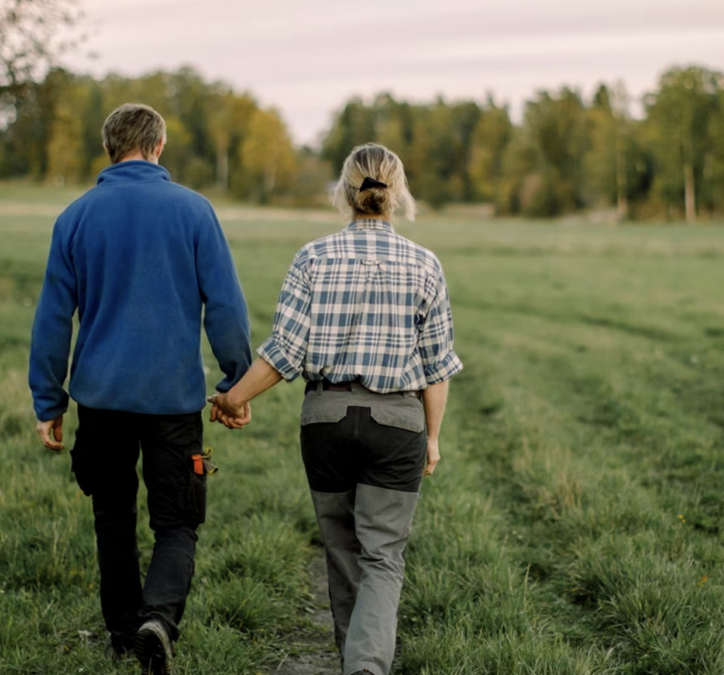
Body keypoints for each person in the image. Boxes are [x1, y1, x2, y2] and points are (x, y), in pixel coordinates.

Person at [209, 143, 462, 675]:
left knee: (343, 554)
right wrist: (433, 437)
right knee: (383, 556)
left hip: (324, 419)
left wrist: (233, 398)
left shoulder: (313, 256)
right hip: (398, 423)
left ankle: (356, 661)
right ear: (399, 193)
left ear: (345, 191)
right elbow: (436, 367)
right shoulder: (425, 264)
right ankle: (366, 666)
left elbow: (283, 353)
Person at [28, 102, 252, 674]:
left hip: (99, 398)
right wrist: (236, 382)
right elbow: (224, 306)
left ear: (110, 148)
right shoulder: (195, 211)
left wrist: (48, 402)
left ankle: (125, 633)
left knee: (112, 515)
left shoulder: (75, 217)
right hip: (173, 400)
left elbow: (54, 319)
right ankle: (159, 619)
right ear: (159, 146)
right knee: (177, 519)